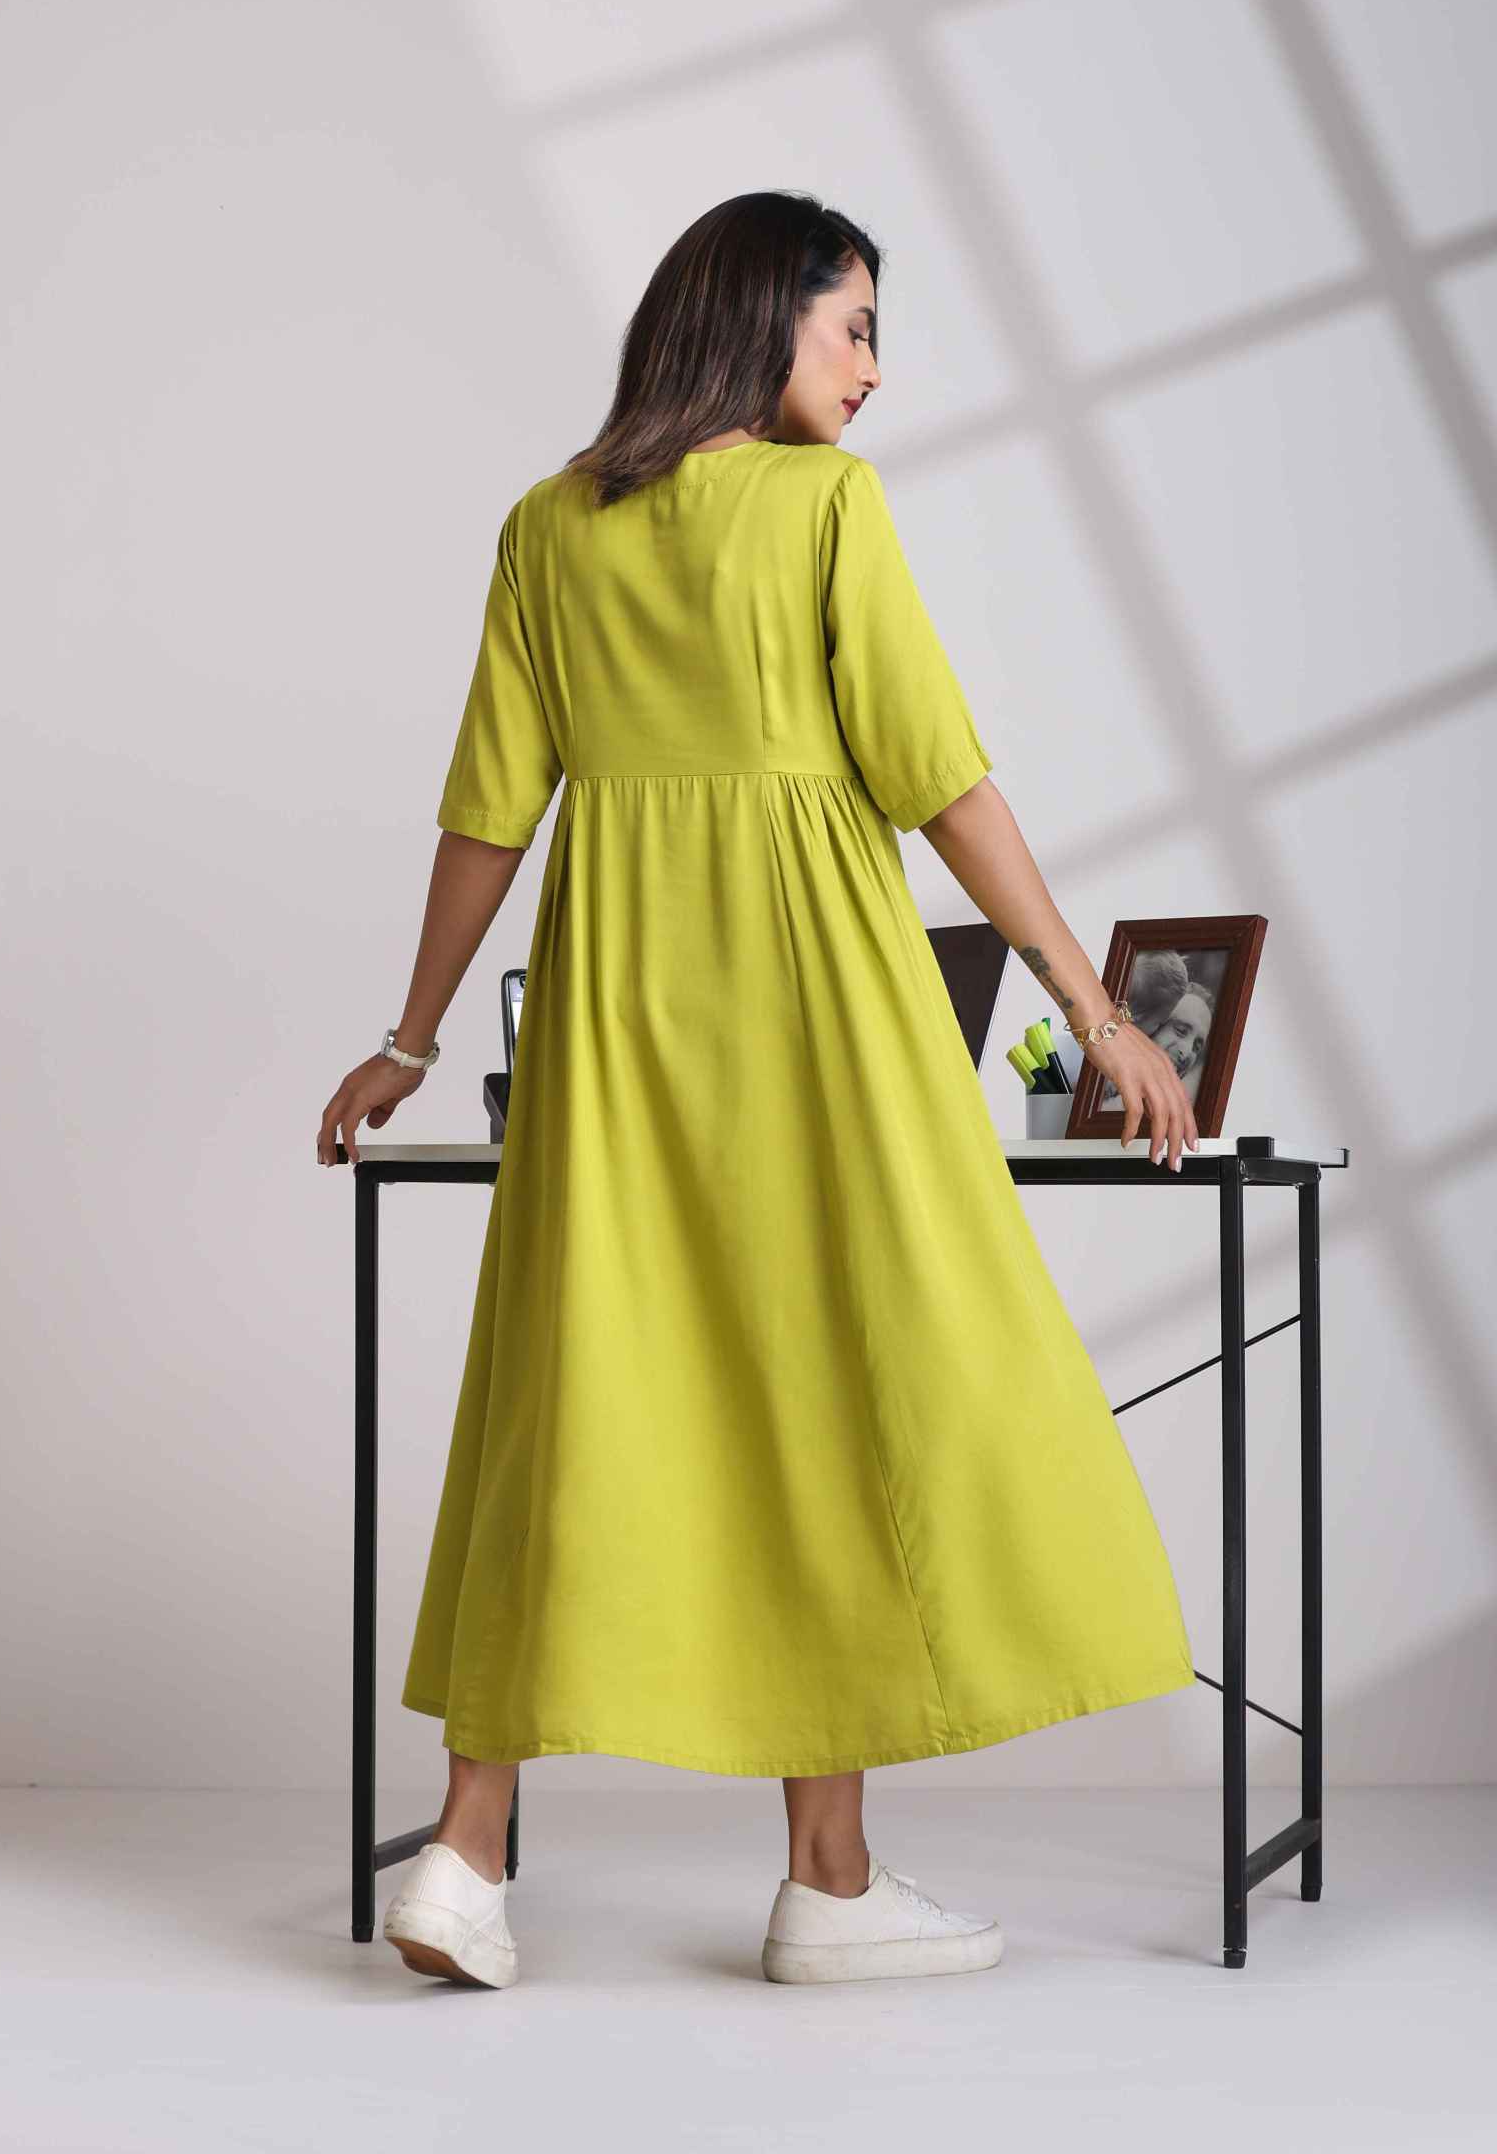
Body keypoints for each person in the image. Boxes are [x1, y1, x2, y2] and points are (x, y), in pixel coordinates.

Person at [318, 191, 1200, 1991]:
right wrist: (1094, 1008)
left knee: (569, 1388)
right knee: (840, 1387)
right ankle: (828, 1883)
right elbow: (941, 779)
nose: (873, 370)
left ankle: (466, 1860)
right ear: (757, 320)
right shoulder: (824, 509)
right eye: (853, 325)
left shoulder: (547, 526)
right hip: (817, 1007)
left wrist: (412, 1041)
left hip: (613, 1015)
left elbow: (493, 808)